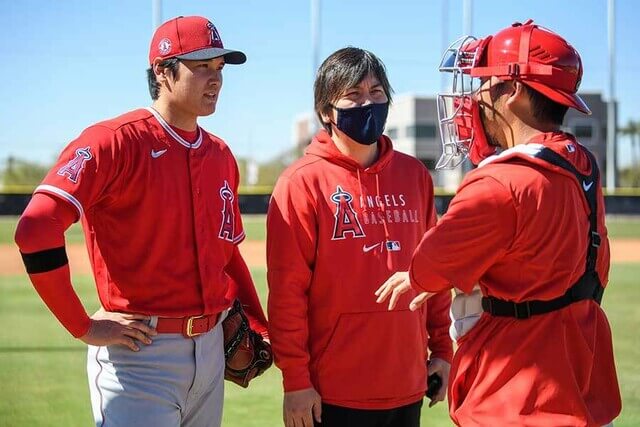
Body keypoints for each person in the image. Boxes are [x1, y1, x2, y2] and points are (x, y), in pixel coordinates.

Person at [14, 15, 268, 427]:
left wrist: (261, 326)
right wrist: (82, 326)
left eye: (220, 67)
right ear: (163, 72)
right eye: (201, 65)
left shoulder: (221, 155)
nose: (215, 78)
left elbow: (227, 257)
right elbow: (35, 229)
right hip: (140, 357)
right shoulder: (114, 141)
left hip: (210, 350)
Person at [376, 20, 622, 427]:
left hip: (521, 395)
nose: (475, 97)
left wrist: (418, 276)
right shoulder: (583, 164)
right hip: (584, 384)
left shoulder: (498, 181)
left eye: (484, 84)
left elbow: (431, 266)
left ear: (513, 91)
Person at [266, 47, 453, 427]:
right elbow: (287, 294)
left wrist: (442, 350)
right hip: (332, 392)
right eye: (353, 95)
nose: (368, 103)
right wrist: (296, 382)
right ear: (325, 112)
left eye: (377, 93)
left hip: (406, 382)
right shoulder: (301, 182)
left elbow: (432, 271)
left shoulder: (415, 175)